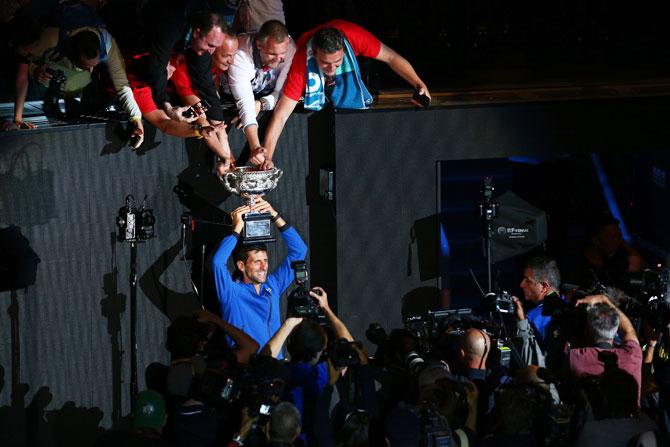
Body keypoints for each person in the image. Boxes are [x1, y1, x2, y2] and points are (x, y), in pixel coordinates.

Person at [251, 19, 431, 170]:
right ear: (314, 54)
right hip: (316, 84)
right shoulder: (301, 60)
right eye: (325, 63)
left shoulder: (356, 37)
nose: (331, 69)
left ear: (345, 51)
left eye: (337, 63)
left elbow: (392, 58)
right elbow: (281, 115)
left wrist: (419, 84)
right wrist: (268, 156)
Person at [211, 197, 307, 351]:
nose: (264, 267)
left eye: (266, 260)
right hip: (246, 368)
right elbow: (217, 262)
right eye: (257, 262)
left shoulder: (272, 286)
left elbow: (299, 251)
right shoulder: (231, 293)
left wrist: (274, 215)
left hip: (276, 366)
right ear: (241, 265)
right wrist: (236, 230)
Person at [27, 25, 144, 143]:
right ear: (73, 55)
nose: (91, 69)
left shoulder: (108, 46)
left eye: (94, 64)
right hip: (44, 81)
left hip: (73, 88)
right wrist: (34, 70)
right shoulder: (51, 39)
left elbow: (123, 87)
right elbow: (21, 57)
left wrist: (137, 121)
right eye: (86, 66)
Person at [142, 5, 227, 125]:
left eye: (215, 46)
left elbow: (207, 87)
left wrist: (220, 124)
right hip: (140, 41)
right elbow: (157, 68)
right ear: (197, 33)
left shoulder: (203, 47)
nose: (212, 51)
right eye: (210, 45)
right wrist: (167, 107)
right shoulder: (170, 29)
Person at [169, 31, 239, 170]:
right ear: (211, 50)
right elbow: (204, 124)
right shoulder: (182, 70)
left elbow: (214, 103)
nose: (232, 61)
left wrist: (228, 158)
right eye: (227, 56)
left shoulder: (218, 64)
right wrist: (227, 159)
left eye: (234, 55)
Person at [224, 19, 296, 151]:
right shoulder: (240, 55)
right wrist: (256, 147)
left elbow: (283, 95)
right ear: (259, 45)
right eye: (272, 54)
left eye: (282, 53)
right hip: (228, 100)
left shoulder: (290, 48)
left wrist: (260, 104)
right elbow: (245, 103)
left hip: (260, 98)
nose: (279, 59)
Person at [568, 293, 643, 399]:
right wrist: (605, 300)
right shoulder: (632, 356)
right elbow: (628, 330)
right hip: (629, 416)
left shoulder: (575, 358)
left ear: (588, 331)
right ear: (616, 329)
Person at [518, 255, 562, 345]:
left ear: (544, 287)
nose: (521, 284)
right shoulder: (569, 306)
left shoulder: (534, 317)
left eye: (528, 281)